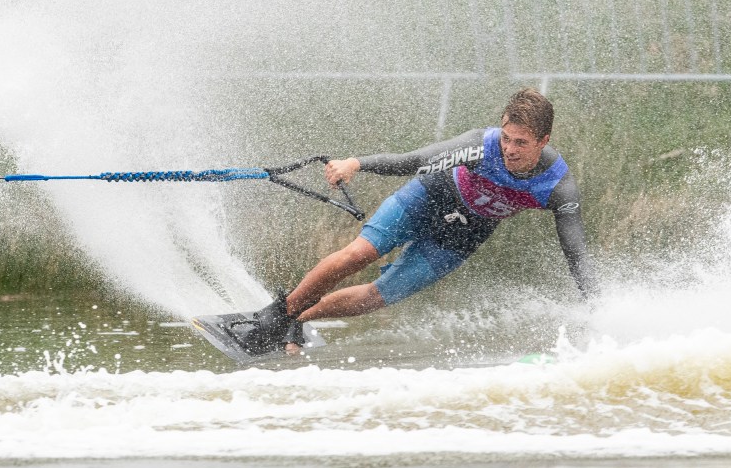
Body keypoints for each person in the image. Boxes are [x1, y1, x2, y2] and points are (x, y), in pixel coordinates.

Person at [237, 87, 596, 354]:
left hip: (461, 238)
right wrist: (355, 164)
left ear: (543, 141)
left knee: (378, 297)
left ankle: (297, 321)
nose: (510, 150)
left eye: (521, 143)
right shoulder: (478, 146)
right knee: (358, 255)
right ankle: (278, 314)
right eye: (506, 138)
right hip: (427, 198)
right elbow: (412, 161)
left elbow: (575, 250)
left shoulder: (558, 186)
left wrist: (595, 303)